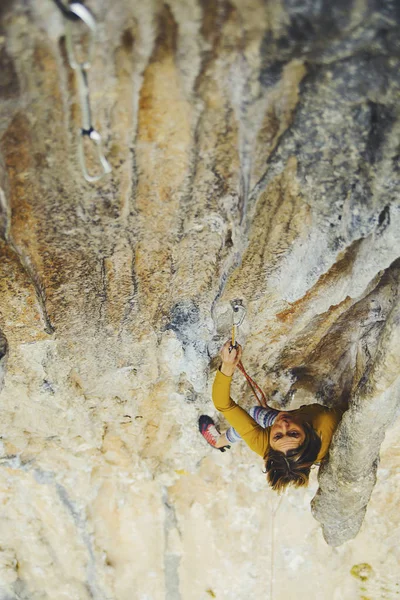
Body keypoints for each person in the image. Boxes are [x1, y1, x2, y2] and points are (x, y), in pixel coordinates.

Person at [199, 341, 346, 491]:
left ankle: (219, 441)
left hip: (295, 432)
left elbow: (223, 404)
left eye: (277, 436)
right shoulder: (325, 422)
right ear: (308, 433)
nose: (282, 425)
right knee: (258, 415)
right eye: (293, 433)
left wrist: (227, 365)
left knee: (255, 414)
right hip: (307, 431)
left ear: (270, 446)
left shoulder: (265, 444)